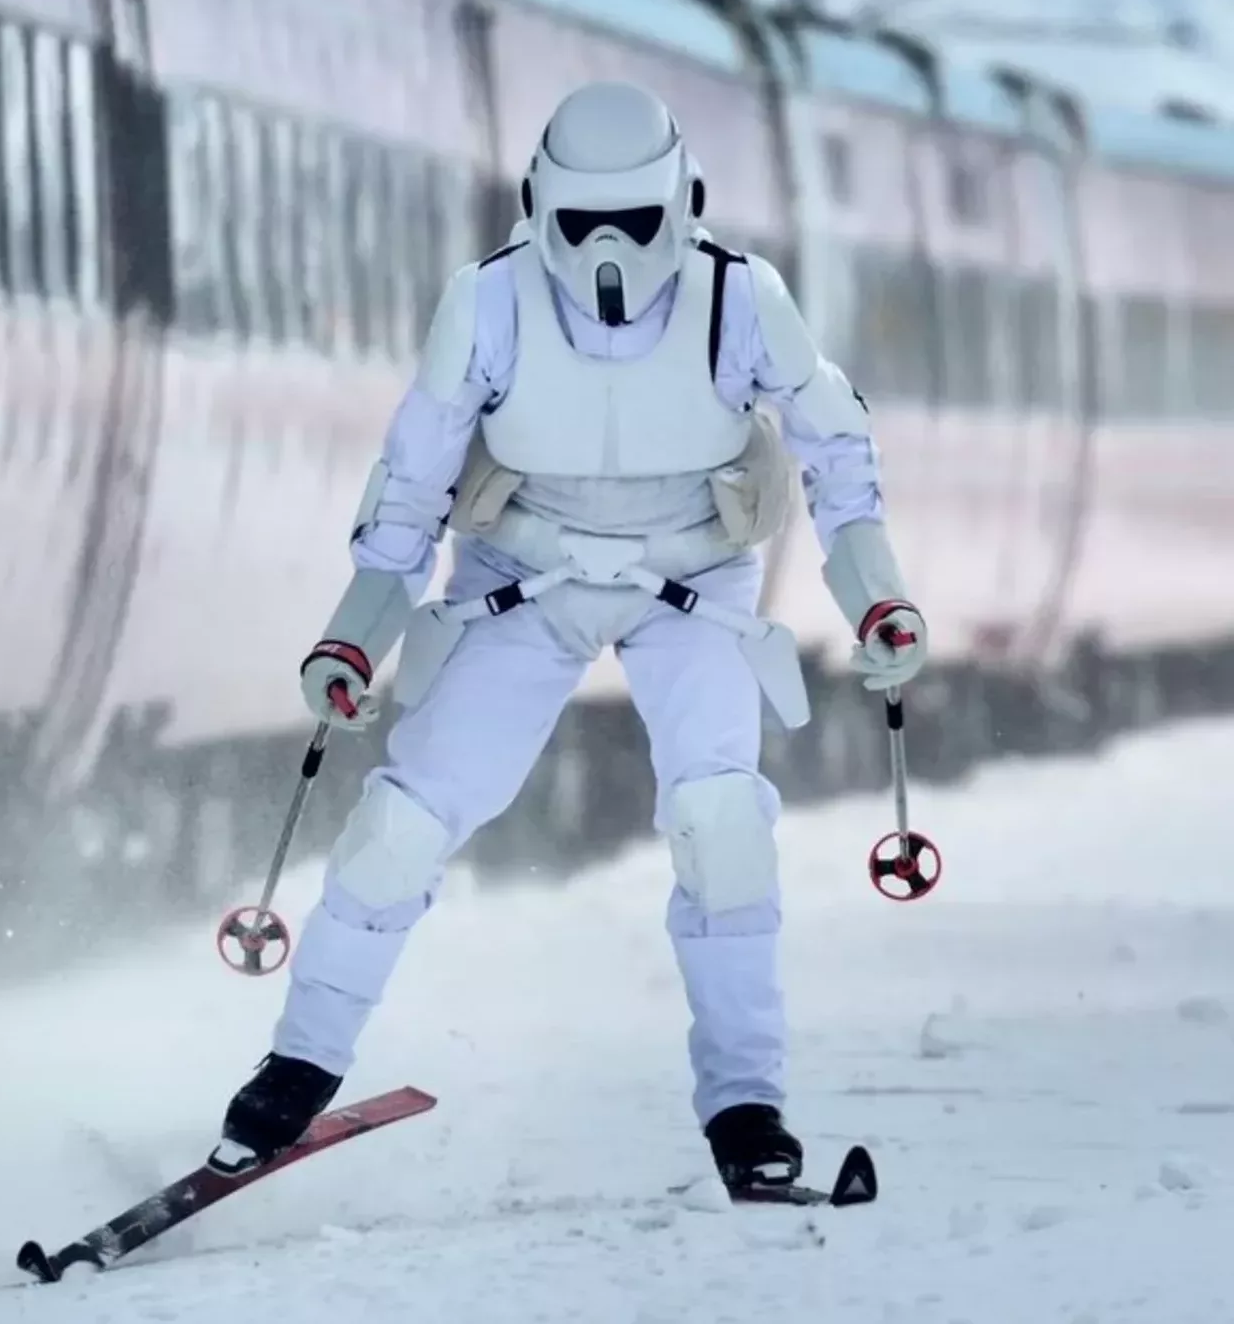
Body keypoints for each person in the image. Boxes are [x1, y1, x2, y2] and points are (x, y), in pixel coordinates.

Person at [213, 80, 927, 1194]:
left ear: (681, 207)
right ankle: (297, 1067)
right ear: (537, 203)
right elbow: (412, 483)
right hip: (521, 583)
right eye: (578, 224)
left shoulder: (742, 300)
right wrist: (355, 636)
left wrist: (877, 597)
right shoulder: (488, 304)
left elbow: (839, 450)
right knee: (400, 823)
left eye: (633, 226)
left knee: (721, 819)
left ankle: (748, 1103)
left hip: (691, 584)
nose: (605, 255)